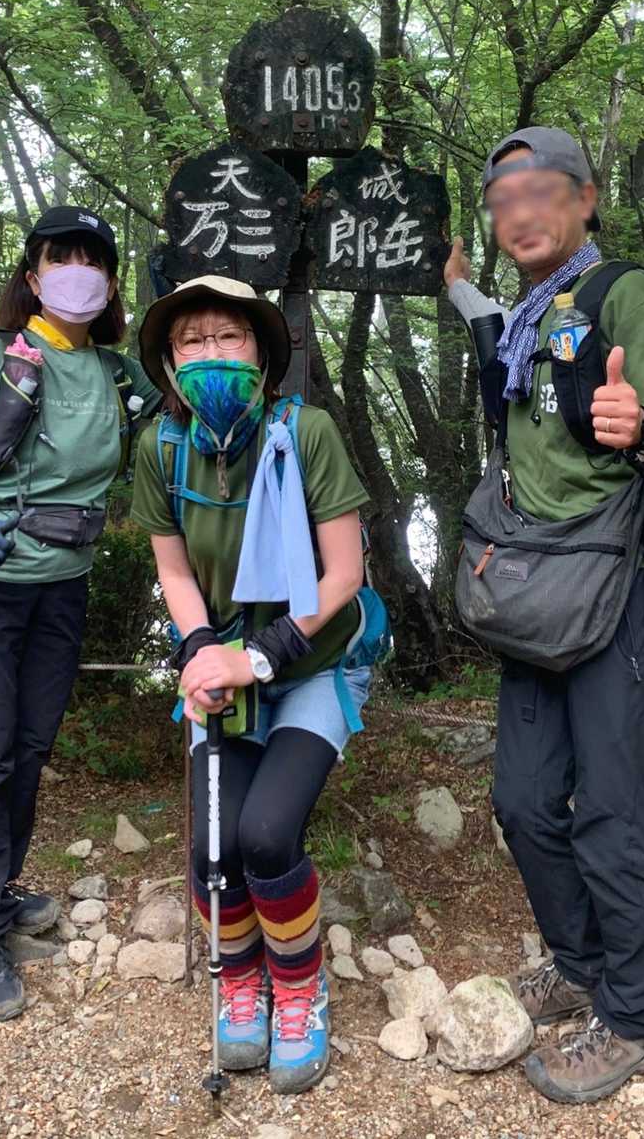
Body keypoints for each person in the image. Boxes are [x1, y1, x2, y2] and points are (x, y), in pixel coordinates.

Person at [444, 127, 644, 1105]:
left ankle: (637, 1018)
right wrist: (452, 282)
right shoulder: (529, 317)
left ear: (584, 198)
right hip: (540, 593)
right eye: (500, 198)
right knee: (523, 801)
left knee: (610, 807)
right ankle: (579, 964)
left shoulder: (625, 296)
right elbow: (492, 326)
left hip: (627, 592)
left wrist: (641, 426)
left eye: (539, 189)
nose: (519, 210)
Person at [130, 275, 374, 1095]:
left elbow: (343, 572)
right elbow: (173, 569)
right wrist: (202, 648)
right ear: (169, 362)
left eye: (227, 336)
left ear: (262, 355)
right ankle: (241, 977)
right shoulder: (162, 447)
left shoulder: (305, 433)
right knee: (214, 848)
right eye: (190, 340)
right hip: (221, 668)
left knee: (267, 833)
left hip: (310, 663)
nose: (210, 353)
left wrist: (258, 655)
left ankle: (298, 984)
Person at [0, 205, 159, 1022]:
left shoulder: (116, 374)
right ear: (31, 275)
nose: (76, 271)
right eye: (61, 257)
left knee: (27, 747)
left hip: (62, 580)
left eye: (92, 259)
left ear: (111, 283)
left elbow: (171, 414)